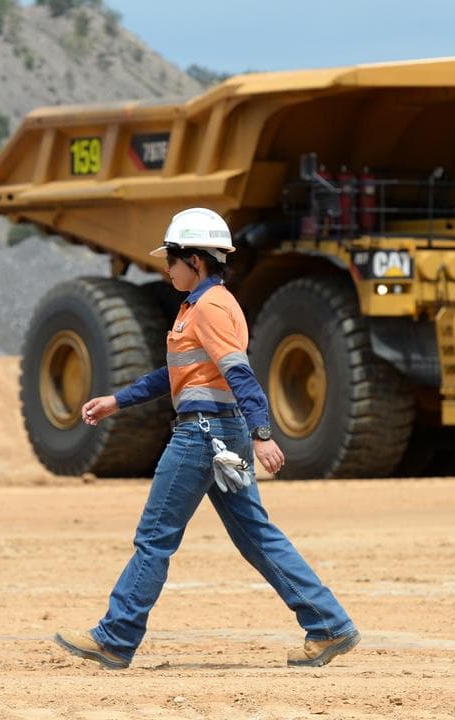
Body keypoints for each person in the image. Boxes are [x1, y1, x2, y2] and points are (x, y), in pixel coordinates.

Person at [54, 208, 359, 670]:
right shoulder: (200, 306)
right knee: (257, 536)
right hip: (221, 434)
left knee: (155, 537)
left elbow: (239, 372)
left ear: (195, 260)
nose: (166, 266)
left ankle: (116, 637)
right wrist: (118, 400)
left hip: (202, 436)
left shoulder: (211, 307)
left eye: (172, 257)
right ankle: (328, 624)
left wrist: (262, 435)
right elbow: (176, 374)